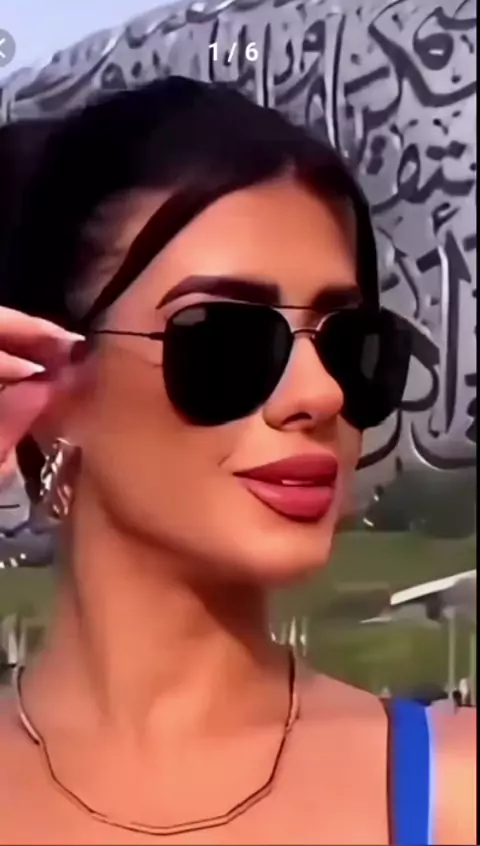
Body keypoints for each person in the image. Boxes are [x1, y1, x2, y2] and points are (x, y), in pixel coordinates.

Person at [0, 77, 475, 844]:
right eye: (224, 340)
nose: (319, 393)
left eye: (350, 343)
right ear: (49, 382)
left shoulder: (455, 792)